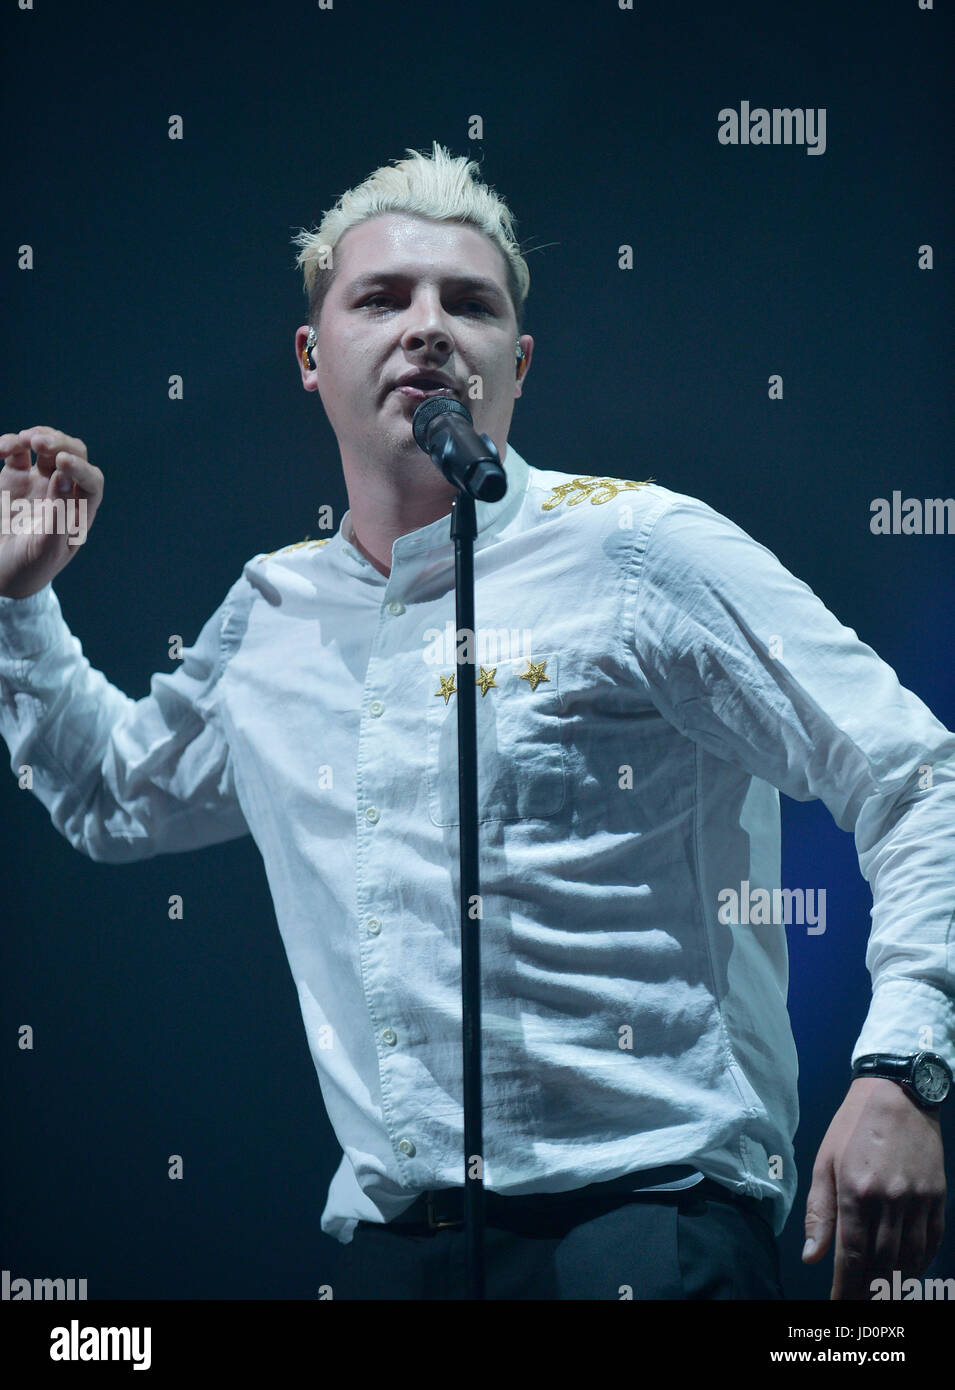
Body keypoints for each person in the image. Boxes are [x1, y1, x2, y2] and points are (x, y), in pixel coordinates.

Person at [0, 142, 952, 1301]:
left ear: (519, 362)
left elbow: (915, 778)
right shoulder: (273, 612)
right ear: (311, 356)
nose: (428, 326)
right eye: (382, 297)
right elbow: (111, 794)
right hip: (397, 1249)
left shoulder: (639, 552)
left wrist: (904, 1066)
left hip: (648, 1223)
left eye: (470, 303)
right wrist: (22, 601)